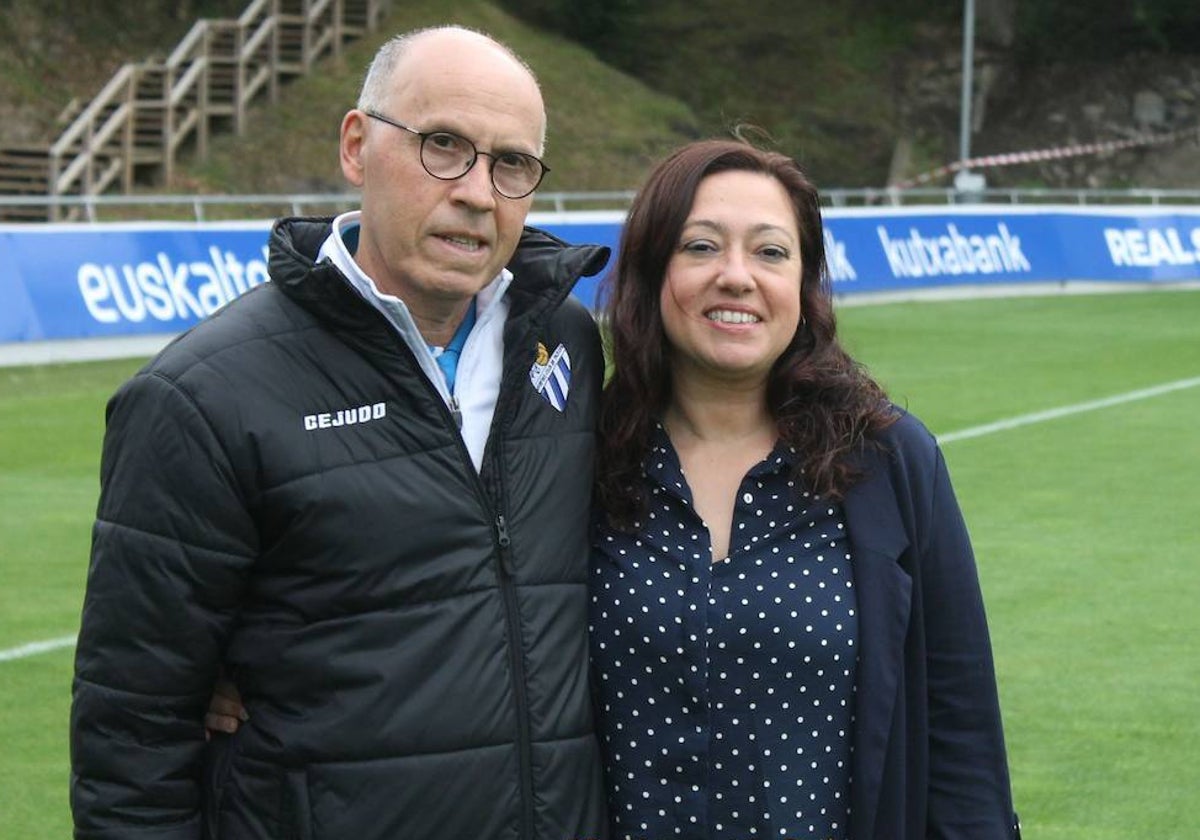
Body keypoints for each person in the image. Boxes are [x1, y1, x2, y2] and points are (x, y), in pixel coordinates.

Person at [71, 25, 610, 840]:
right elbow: (131, 736)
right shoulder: (201, 397)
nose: (476, 190)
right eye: (443, 145)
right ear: (357, 147)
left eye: (511, 164)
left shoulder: (564, 341)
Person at [590, 139, 1020, 839]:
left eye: (770, 252)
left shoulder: (889, 463)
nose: (736, 276)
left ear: (805, 285)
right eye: (700, 248)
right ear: (649, 269)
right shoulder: (581, 456)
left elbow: (960, 726)